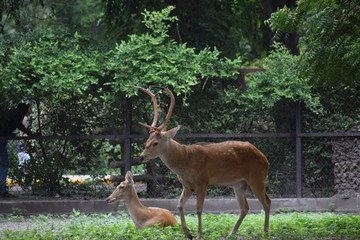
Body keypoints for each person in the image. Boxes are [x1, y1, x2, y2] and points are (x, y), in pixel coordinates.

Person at [0, 103, 38, 198]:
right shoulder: (19, 114)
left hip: (3, 137)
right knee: (3, 163)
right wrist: (30, 134)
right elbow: (18, 125)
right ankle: (2, 191)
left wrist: (8, 134)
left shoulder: (11, 113)